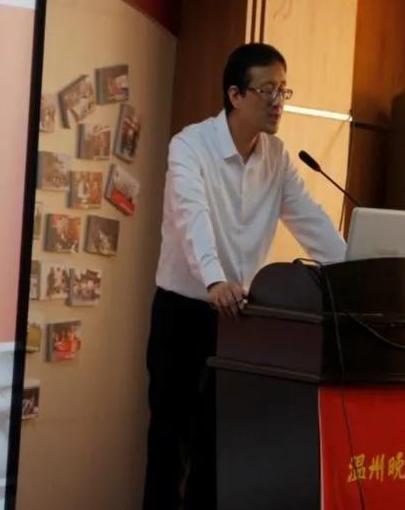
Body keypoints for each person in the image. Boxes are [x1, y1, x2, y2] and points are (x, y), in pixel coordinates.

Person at [142, 43, 347, 510]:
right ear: (235, 95)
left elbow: (311, 221)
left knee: (219, 449)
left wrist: (357, 273)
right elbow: (191, 218)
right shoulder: (190, 146)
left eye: (283, 90)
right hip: (184, 313)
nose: (278, 102)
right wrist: (214, 280)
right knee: (170, 445)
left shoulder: (276, 156)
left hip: (240, 320)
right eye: (267, 90)